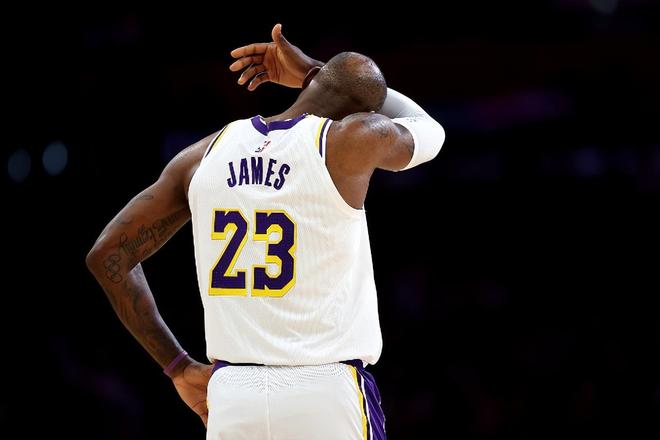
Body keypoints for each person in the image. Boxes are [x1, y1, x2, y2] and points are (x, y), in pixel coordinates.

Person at [86, 23, 445, 440]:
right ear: (364, 113)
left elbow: (108, 256)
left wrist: (178, 367)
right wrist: (311, 70)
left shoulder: (203, 155)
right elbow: (428, 127)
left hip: (234, 396)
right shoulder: (350, 138)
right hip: (325, 392)